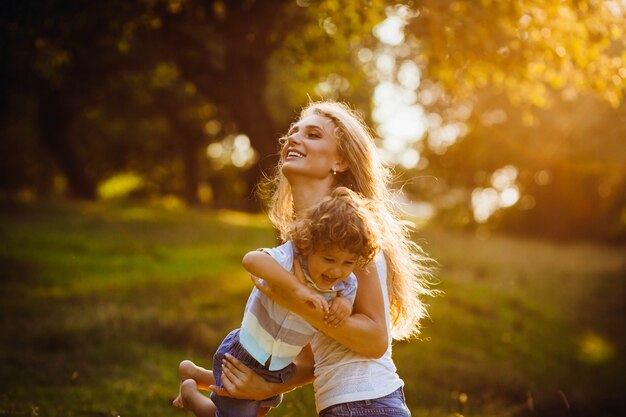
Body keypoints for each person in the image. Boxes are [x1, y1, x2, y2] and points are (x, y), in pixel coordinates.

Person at [181, 100, 435, 417]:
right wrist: (265, 389)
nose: (293, 139)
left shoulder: (351, 232)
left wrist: (296, 298)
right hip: (338, 405)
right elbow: (311, 357)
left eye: (312, 134)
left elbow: (375, 340)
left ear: (341, 161)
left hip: (368, 403)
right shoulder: (304, 243)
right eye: (292, 133)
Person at [173, 186, 381, 417]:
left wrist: (344, 305)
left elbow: (349, 289)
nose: (337, 270)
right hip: (248, 353)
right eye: (329, 258)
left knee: (255, 411)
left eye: (348, 263)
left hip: (280, 365)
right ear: (308, 245)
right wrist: (297, 289)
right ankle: (191, 394)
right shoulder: (291, 257)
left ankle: (197, 374)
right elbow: (252, 260)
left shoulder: (344, 282)